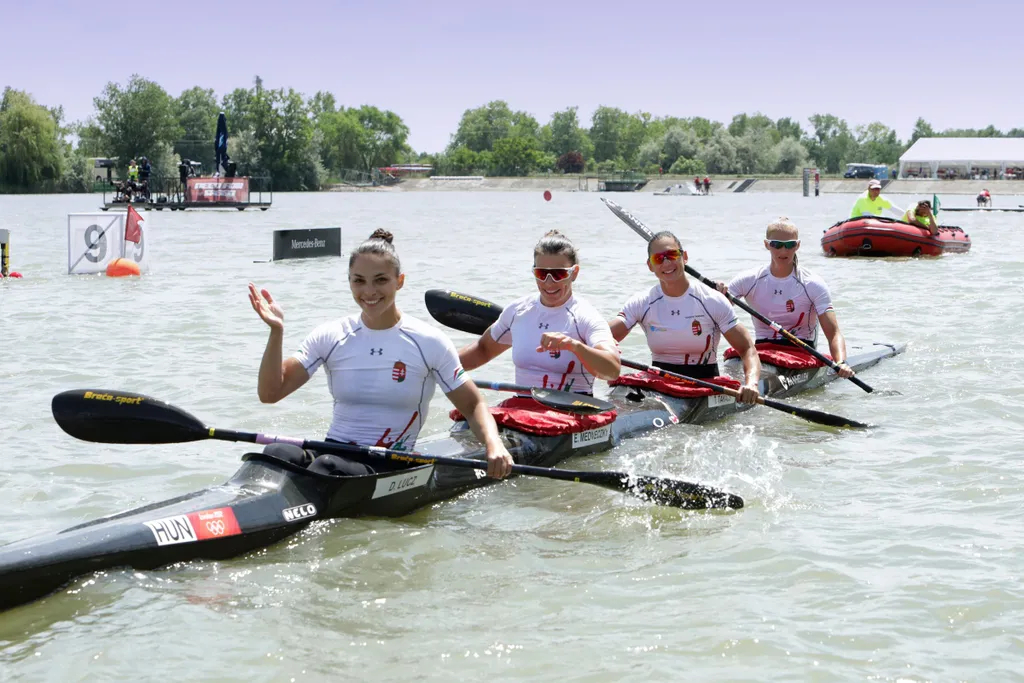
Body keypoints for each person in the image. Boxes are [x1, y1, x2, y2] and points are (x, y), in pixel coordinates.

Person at [248, 229, 514, 479]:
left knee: (325, 467)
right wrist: (276, 332)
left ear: (400, 282)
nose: (369, 292)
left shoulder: (428, 341)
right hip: (333, 453)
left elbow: (472, 404)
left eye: (381, 280)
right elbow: (271, 393)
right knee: (277, 452)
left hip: (390, 462)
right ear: (349, 282)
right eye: (359, 281)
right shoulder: (331, 335)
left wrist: (494, 445)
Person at [458, 230, 620, 395]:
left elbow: (612, 370)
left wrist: (574, 346)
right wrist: (437, 363)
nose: (549, 283)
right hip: (523, 410)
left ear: (574, 273)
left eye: (558, 274)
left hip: (573, 410)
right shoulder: (517, 311)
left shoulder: (586, 317)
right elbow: (482, 349)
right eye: (541, 273)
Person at [613, 231, 761, 403]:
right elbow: (604, 336)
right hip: (660, 382)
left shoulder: (711, 300)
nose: (667, 262)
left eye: (672, 255)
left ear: (684, 257)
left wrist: (751, 384)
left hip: (705, 384)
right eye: (658, 258)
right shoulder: (642, 302)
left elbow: (747, 349)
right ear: (650, 265)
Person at [717, 217, 856, 379]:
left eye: (789, 245)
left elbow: (833, 333)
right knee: (732, 363)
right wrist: (718, 294)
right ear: (767, 244)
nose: (783, 251)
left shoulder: (812, 283)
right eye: (776, 245)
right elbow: (714, 313)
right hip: (762, 349)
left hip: (800, 352)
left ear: (797, 245)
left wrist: (840, 362)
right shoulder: (749, 280)